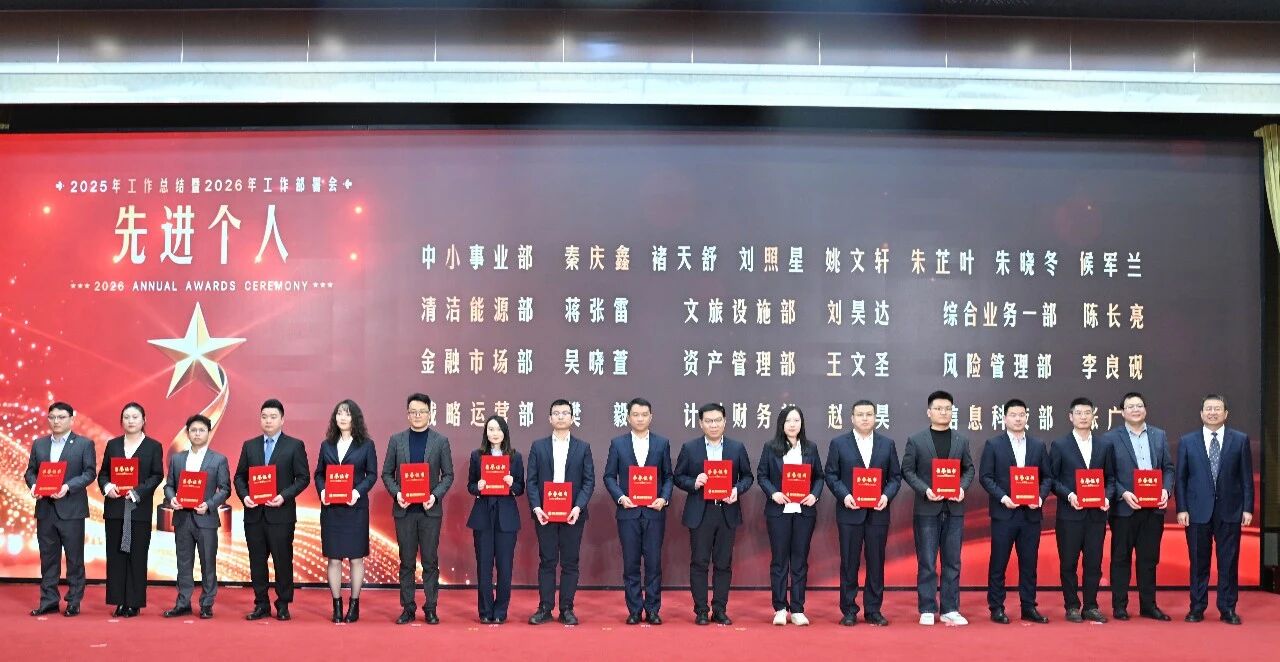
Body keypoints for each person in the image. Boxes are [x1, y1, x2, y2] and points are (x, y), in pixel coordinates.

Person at [1176, 394, 1254, 625]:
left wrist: (1248, 508)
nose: (1212, 412)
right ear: (1201, 414)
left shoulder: (1240, 440)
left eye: (1217, 409)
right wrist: (1182, 508)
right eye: (1208, 409)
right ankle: (1197, 607)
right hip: (1197, 511)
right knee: (1198, 562)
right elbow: (1181, 479)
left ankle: (1227, 608)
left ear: (1225, 413)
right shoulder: (1187, 441)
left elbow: (1246, 478)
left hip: (1230, 510)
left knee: (1228, 562)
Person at [674, 402, 754, 626]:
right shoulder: (690, 448)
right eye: (708, 421)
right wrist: (694, 482)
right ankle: (701, 610)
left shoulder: (736, 448)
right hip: (701, 511)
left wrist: (737, 490)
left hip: (726, 510)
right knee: (699, 562)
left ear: (725, 421)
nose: (713, 424)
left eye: (717, 420)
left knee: (723, 564)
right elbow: (677, 477)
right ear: (701, 423)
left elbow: (748, 477)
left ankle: (720, 609)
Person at [824, 399, 901, 627]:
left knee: (876, 563)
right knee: (849, 563)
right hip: (850, 512)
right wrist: (844, 495)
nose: (865, 418)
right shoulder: (839, 443)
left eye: (869, 414)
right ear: (852, 418)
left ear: (876, 417)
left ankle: (873, 610)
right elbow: (831, 474)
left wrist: (886, 496)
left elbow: (895, 477)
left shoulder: (887, 444)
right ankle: (849, 610)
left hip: (878, 513)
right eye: (860, 414)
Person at [902, 390, 975, 626]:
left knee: (953, 561)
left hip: (954, 509)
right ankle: (927, 608)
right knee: (927, 560)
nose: (943, 412)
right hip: (927, 509)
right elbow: (907, 470)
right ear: (929, 412)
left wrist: (962, 488)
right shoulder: (916, 440)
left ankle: (950, 608)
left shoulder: (961, 440)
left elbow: (969, 469)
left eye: (947, 409)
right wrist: (925, 490)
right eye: (938, 408)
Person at [233, 398, 310, 621]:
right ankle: (261, 604)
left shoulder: (294, 445)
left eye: (273, 417)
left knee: (282, 560)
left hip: (281, 515)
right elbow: (239, 477)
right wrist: (245, 496)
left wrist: (283, 496)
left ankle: (283, 604)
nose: (268, 420)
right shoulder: (250, 445)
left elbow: (303, 478)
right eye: (264, 416)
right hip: (254, 514)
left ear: (282, 420)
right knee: (257, 561)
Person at [382, 392, 454, 625]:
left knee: (430, 561)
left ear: (430, 413)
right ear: (407, 414)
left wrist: (434, 496)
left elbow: (448, 475)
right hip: (404, 510)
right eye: (413, 411)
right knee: (406, 562)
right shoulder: (396, 440)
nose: (417, 415)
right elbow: (386, 473)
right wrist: (397, 494)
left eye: (422, 411)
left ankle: (431, 608)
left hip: (429, 511)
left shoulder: (440, 441)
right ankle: (408, 608)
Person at [978, 398, 1052, 625]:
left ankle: (1028, 606)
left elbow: (1047, 477)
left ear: (1027, 417)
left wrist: (1039, 497)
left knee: (1029, 563)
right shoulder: (993, 444)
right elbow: (986, 477)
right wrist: (1003, 497)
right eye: (1013, 415)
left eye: (1022, 415)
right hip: (1004, 514)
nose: (1018, 419)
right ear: (1004, 418)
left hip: (1030, 515)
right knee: (998, 562)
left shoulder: (1038, 445)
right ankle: (996, 607)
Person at [602, 397, 673, 625]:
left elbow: (668, 476)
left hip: (654, 512)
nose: (640, 419)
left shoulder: (662, 443)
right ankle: (634, 610)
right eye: (635, 415)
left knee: (653, 563)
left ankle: (652, 610)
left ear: (651, 417)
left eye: (644, 415)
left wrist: (664, 498)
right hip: (628, 512)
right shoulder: (618, 444)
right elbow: (609, 476)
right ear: (628, 417)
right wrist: (620, 497)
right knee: (631, 564)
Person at [1104, 392, 1174, 621]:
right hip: (1124, 509)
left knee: (1149, 559)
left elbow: (1168, 468)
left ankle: (1148, 605)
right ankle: (1120, 606)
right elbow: (1107, 474)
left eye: (1139, 405)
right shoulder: (1110, 438)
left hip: (1153, 510)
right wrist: (1123, 493)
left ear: (1145, 409)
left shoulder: (1159, 435)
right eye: (1130, 406)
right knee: (1120, 558)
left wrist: (1165, 490)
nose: (1136, 409)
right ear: (1122, 412)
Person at [526, 399, 596, 626]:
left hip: (572, 514)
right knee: (547, 561)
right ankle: (545, 608)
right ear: (550, 418)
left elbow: (588, 481)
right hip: (544, 514)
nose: (561, 417)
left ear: (572, 418)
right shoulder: (538, 446)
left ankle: (567, 608)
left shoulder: (583, 447)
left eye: (565, 413)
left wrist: (578, 507)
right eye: (556, 413)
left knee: (570, 562)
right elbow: (531, 481)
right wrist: (537, 508)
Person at [24, 402, 96, 617]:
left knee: (74, 559)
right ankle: (49, 600)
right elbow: (30, 472)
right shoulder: (39, 444)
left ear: (72, 420)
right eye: (52, 417)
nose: (56, 421)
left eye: (61, 417)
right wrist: (34, 486)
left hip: (72, 510)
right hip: (45, 510)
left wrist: (67, 487)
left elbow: (89, 473)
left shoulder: (84, 444)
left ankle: (73, 601)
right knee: (48, 559)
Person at [1049, 397, 1115, 624]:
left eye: (1087, 412)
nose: (1083, 417)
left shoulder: (1104, 445)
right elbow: (1052, 480)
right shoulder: (1060, 445)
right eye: (1079, 413)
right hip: (1070, 515)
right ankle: (1072, 606)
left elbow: (1111, 479)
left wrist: (1106, 497)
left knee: (1093, 563)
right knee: (1068, 563)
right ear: (1071, 417)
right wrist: (1070, 496)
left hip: (1096, 515)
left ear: (1093, 415)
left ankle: (1091, 605)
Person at [756, 406, 823, 626]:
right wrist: (773, 493)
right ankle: (780, 608)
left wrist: (814, 495)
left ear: (802, 423)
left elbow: (819, 477)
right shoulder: (770, 447)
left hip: (804, 512)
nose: (792, 424)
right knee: (779, 561)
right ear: (781, 424)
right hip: (779, 512)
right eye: (788, 420)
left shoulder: (811, 448)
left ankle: (798, 609)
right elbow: (762, 475)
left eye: (796, 420)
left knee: (800, 561)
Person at [314, 399, 379, 624]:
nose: (342, 417)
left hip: (355, 509)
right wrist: (322, 491)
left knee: (355, 558)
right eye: (339, 413)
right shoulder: (327, 445)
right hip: (332, 509)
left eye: (347, 414)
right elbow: (319, 474)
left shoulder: (366, 445)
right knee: (333, 559)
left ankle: (354, 603)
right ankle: (336, 604)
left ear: (355, 418)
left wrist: (357, 492)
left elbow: (372, 475)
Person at [97, 402, 164, 617]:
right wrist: (107, 487)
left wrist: (138, 492)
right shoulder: (113, 445)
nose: (131, 421)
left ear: (144, 420)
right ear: (121, 421)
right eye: (126, 417)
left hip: (138, 509)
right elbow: (103, 473)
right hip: (115, 508)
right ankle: (119, 601)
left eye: (135, 417)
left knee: (137, 555)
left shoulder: (153, 446)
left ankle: (133, 602)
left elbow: (157, 475)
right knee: (116, 556)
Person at [162, 414, 231, 619]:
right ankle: (183, 602)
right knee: (183, 563)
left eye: (201, 430)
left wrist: (209, 504)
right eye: (193, 430)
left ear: (209, 432)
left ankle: (207, 604)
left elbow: (225, 489)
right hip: (182, 518)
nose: (197, 434)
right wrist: (172, 498)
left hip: (206, 519)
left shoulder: (218, 459)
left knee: (208, 563)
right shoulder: (177, 459)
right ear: (187, 433)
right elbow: (169, 485)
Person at [466, 415, 525, 624]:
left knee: (504, 566)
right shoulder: (477, 456)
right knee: (484, 566)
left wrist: (511, 484)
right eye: (490, 429)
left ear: (505, 432)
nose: (494, 433)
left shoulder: (515, 457)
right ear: (486, 432)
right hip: (483, 516)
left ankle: (500, 611)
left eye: (498, 429)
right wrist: (478, 487)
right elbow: (470, 485)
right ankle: (485, 610)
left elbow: (520, 488)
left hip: (506, 518)